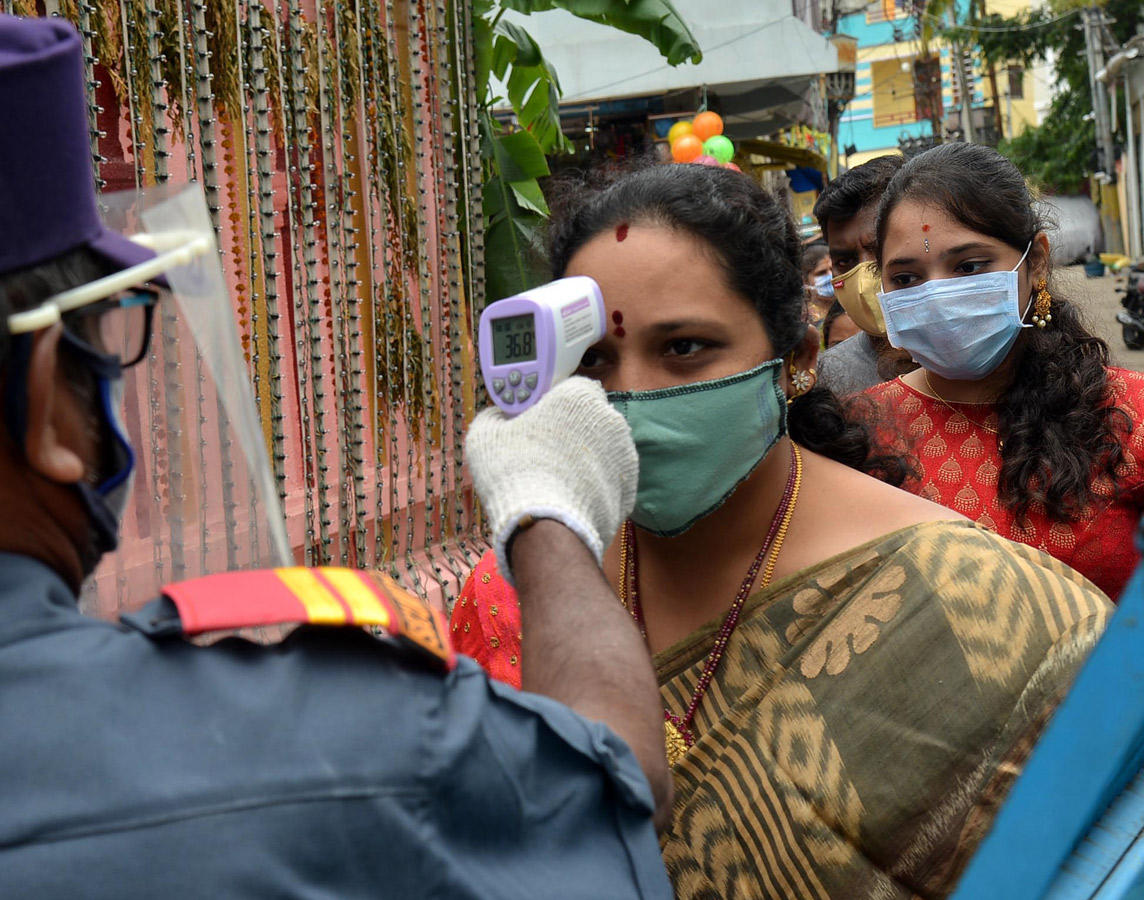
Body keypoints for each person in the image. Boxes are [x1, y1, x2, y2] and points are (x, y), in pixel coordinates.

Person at [0, 14, 675, 897]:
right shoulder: (316, 738)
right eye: (116, 342)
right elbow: (607, 791)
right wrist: (548, 505)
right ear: (48, 406)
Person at [450, 162, 1111, 899]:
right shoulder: (510, 597)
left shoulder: (976, 596)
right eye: (594, 362)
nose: (629, 397)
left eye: (684, 348)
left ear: (795, 359)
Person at [861, 142, 1144, 600]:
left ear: (1035, 263)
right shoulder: (860, 434)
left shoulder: (1131, 416)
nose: (938, 297)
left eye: (969, 266)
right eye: (907, 278)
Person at [813, 155, 916, 394]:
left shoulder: (986, 352)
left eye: (879, 250)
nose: (864, 278)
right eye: (845, 261)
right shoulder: (827, 383)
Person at [801, 240, 834, 324]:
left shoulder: (852, 307)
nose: (831, 276)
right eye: (821, 273)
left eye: (833, 269)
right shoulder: (804, 319)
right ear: (806, 281)